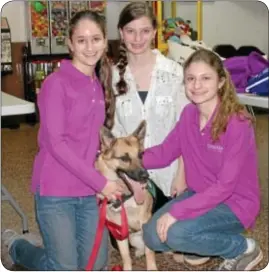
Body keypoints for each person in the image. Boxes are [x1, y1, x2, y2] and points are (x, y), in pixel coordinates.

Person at [2, 10, 125, 271]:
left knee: (95, 264)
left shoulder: (98, 83)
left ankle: (53, 248)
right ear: (69, 43)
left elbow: (93, 140)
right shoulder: (55, 84)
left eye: (96, 39)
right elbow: (56, 144)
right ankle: (18, 246)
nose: (90, 47)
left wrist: (114, 175)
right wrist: (101, 182)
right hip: (56, 191)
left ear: (105, 41)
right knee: (65, 268)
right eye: (81, 40)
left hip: (88, 189)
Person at [142, 48, 263, 271]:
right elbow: (164, 152)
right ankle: (203, 234)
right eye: (191, 79)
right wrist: (127, 160)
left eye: (205, 78)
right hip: (199, 194)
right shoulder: (189, 114)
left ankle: (243, 248)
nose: (197, 85)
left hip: (235, 203)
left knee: (176, 233)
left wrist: (176, 213)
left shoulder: (238, 123)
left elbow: (225, 186)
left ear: (220, 82)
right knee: (151, 236)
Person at [112, 1, 189, 208]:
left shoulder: (174, 73)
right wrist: (119, 179)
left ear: (154, 32)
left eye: (145, 31)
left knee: (163, 236)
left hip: (170, 178)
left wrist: (182, 175)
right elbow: (113, 136)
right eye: (130, 31)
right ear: (121, 32)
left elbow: (186, 130)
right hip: (131, 180)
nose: (138, 39)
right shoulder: (110, 79)